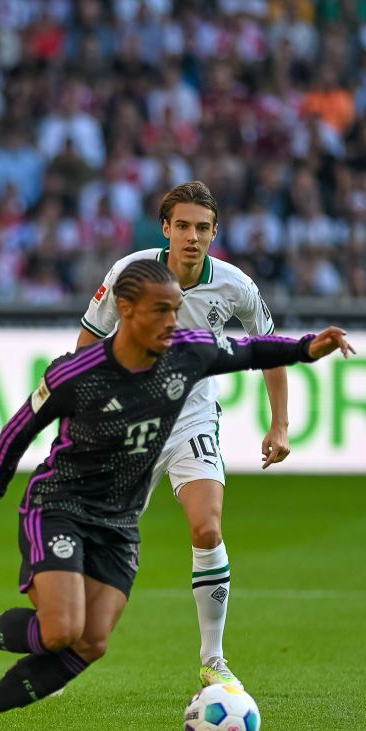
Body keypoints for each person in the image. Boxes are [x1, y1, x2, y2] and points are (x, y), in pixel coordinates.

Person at [0, 260, 353, 731]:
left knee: (90, 643)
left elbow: (250, 349)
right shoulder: (76, 373)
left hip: (120, 522)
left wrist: (307, 347)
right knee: (60, 631)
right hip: (59, 506)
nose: (174, 321)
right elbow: (17, 432)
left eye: (176, 310)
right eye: (161, 310)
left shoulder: (187, 355)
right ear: (124, 310)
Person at [76, 181, 284, 689]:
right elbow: (88, 339)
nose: (193, 237)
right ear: (165, 228)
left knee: (207, 528)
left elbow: (271, 347)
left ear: (215, 233)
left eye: (203, 228)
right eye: (184, 226)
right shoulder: (130, 272)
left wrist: (279, 423)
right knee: (100, 540)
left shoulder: (235, 285)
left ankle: (213, 659)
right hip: (131, 424)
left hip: (192, 417)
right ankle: (63, 644)